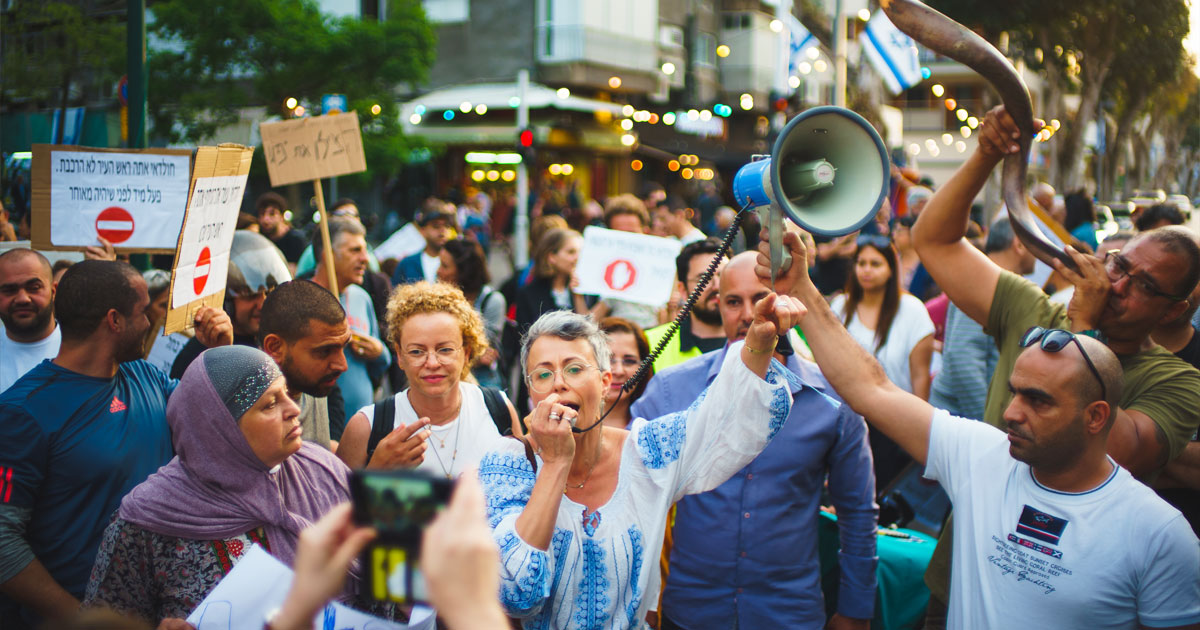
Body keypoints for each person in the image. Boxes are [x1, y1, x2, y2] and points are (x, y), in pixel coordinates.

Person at [763, 228, 1200, 629]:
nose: (1011, 413)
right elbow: (871, 388)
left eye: (1039, 401)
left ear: (1097, 416)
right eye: (1015, 392)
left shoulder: (1160, 535)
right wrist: (800, 287)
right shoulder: (983, 456)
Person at [911, 105, 1200, 624]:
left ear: (1175, 309)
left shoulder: (1176, 382)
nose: (1117, 286)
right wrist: (985, 155)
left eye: (1144, 286)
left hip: (1074, 601)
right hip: (963, 578)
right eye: (1119, 265)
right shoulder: (1037, 311)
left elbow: (1113, 451)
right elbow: (934, 241)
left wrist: (1083, 327)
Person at [479, 294, 801, 629]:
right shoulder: (507, 465)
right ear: (531, 393)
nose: (559, 382)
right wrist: (556, 465)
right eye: (543, 375)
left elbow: (719, 419)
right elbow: (517, 593)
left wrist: (760, 342)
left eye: (574, 369)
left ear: (605, 383)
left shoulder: (646, 453)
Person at [632, 252, 877, 630]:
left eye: (760, 296)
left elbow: (858, 511)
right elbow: (626, 485)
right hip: (693, 612)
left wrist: (855, 610)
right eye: (733, 301)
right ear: (719, 307)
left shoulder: (832, 398)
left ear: (788, 301)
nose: (749, 313)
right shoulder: (672, 389)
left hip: (788, 613)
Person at [0, 261, 231, 628]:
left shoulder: (147, 376)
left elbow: (217, 429)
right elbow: (3, 540)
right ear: (115, 320)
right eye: (142, 312)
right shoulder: (23, 411)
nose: (148, 323)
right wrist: (85, 619)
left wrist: (222, 355)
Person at [82, 346, 357, 626]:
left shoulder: (325, 473)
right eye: (270, 404)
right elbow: (102, 620)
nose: (294, 409)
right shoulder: (147, 523)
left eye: (286, 393)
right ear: (221, 430)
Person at [338, 282, 518, 478]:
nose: (432, 363)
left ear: (466, 352)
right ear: (400, 356)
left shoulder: (498, 410)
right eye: (417, 351)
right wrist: (376, 469)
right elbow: (333, 505)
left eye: (445, 349)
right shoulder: (367, 427)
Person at [830, 234, 933, 488]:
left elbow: (920, 374)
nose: (866, 270)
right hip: (848, 418)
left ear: (891, 268)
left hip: (894, 422)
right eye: (861, 263)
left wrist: (917, 428)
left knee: (881, 490)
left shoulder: (912, 311)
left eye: (875, 264)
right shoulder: (841, 307)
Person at [929, 217, 1035, 421]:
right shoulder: (985, 283)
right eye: (1032, 242)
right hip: (964, 421)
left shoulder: (994, 282)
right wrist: (988, 422)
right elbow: (963, 359)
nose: (1037, 253)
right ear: (1019, 245)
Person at [170, 230, 292, 378]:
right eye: (250, 296)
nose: (262, 304)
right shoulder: (201, 357)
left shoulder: (275, 342)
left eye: (268, 293)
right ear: (225, 300)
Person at [312, 217, 390, 424]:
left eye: (365, 249)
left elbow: (382, 361)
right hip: (323, 431)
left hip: (363, 427)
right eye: (355, 250)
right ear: (327, 254)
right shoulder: (303, 299)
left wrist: (378, 351)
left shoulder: (360, 297)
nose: (365, 258)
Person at [259, 280, 351, 449]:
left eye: (343, 346)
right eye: (324, 351)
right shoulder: (251, 418)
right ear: (275, 347)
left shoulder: (314, 383)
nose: (342, 365)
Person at [643, 238, 728, 371]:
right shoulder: (650, 343)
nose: (716, 286)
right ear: (683, 290)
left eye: (723, 275)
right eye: (704, 278)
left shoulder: (756, 340)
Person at [585, 195, 663, 330]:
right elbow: (588, 322)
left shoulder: (661, 265)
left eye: (632, 233)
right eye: (620, 235)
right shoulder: (599, 266)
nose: (627, 240)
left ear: (645, 231)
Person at [437, 238, 507, 389]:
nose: (438, 271)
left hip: (483, 380)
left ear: (463, 272)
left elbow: (483, 349)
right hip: (446, 377)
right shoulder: (437, 299)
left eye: (445, 266)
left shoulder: (492, 300)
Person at [0, 249, 61, 392]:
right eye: (9, 290)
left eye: (34, 288)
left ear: (53, 291)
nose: (22, 299)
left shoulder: (86, 352)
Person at [514, 227, 587, 332]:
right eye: (571, 252)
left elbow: (588, 332)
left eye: (581, 252)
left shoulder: (585, 292)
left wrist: (578, 296)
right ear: (551, 256)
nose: (577, 257)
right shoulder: (529, 294)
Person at [598, 317, 652, 430]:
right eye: (608, 359)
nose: (619, 371)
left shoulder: (652, 425)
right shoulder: (567, 425)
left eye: (629, 361)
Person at [393, 202, 456, 285]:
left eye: (447, 226)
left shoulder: (457, 263)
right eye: (436, 226)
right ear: (422, 230)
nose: (442, 230)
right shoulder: (407, 264)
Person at [256, 192, 306, 266]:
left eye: (272, 214)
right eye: (262, 214)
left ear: (282, 217)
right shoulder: (259, 241)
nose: (266, 219)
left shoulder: (295, 240)